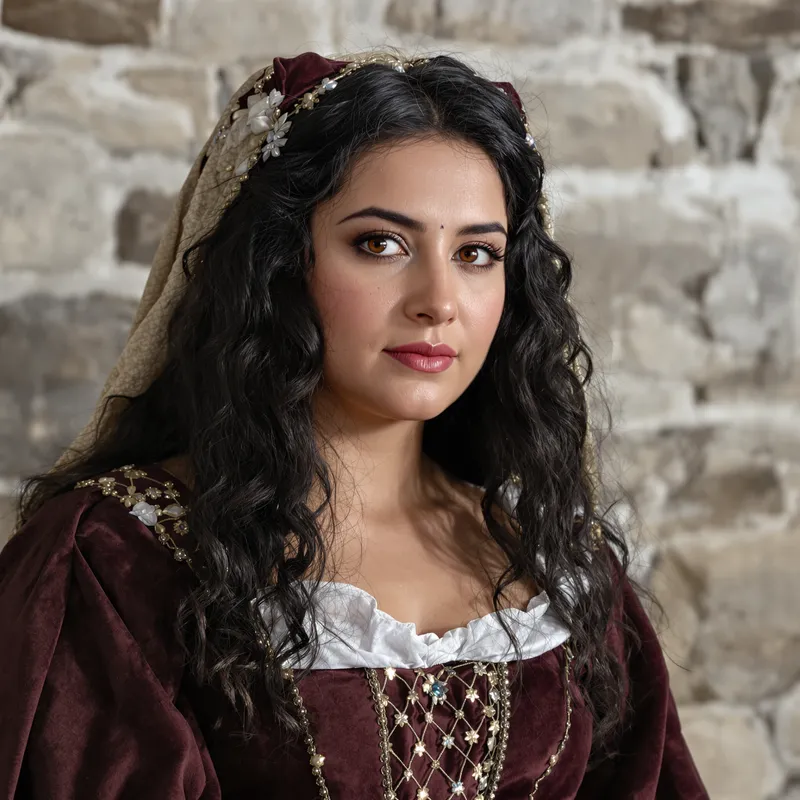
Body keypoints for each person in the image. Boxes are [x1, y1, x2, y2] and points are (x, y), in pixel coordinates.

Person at [0, 48, 708, 799]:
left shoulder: (561, 564)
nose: (438, 299)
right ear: (278, 265)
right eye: (381, 244)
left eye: (477, 253)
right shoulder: (117, 563)